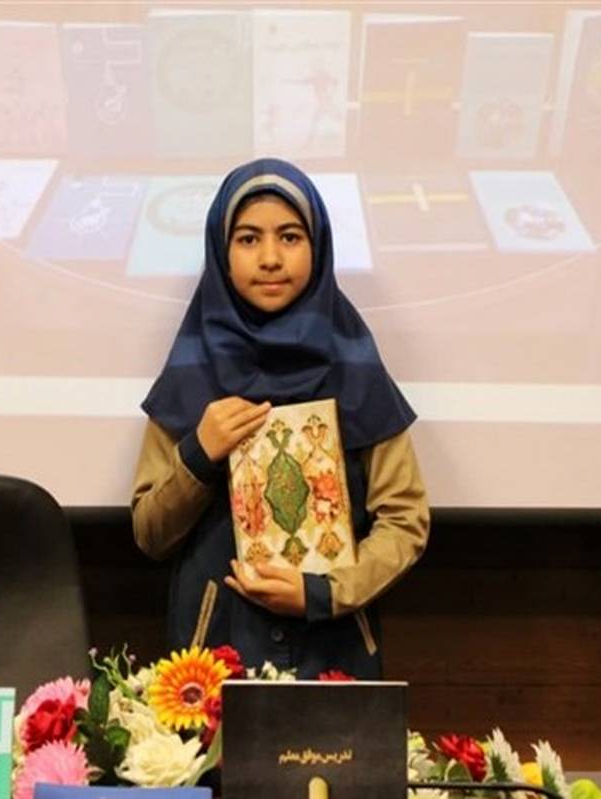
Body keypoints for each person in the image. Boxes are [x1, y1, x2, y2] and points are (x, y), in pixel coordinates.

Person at [131, 158, 429, 678]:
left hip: (333, 646)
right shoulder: (190, 370)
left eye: (290, 237)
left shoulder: (355, 364)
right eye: (248, 239)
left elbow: (405, 520)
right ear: (221, 252)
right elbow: (150, 533)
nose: (270, 258)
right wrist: (199, 455)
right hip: (212, 656)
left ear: (318, 245)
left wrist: (325, 592)